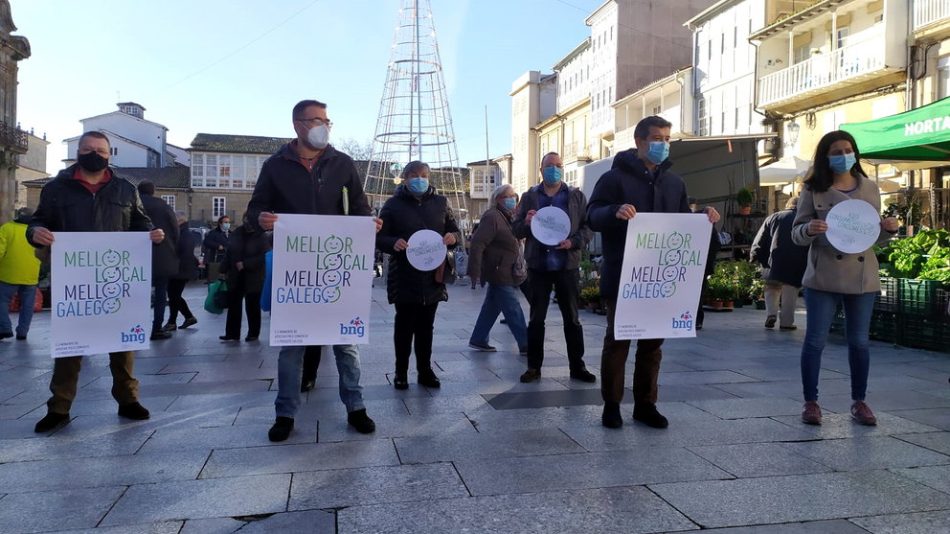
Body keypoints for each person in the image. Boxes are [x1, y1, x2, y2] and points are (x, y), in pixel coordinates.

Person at [249, 99, 380, 441]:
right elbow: (255, 209)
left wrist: (369, 225)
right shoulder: (276, 165)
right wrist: (261, 220)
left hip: (336, 269)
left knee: (346, 344)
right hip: (296, 271)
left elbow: (360, 208)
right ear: (297, 125)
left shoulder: (343, 163)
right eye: (316, 119)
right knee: (291, 347)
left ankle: (356, 406)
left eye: (327, 119)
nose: (323, 125)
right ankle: (285, 413)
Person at [587, 116, 720, 429]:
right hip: (624, 276)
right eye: (656, 138)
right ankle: (612, 405)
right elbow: (592, 215)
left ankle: (646, 404)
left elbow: (682, 224)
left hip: (661, 279)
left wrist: (704, 217)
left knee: (652, 345)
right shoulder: (614, 179)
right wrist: (614, 212)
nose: (663, 144)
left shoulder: (675, 183)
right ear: (639, 141)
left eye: (667, 138)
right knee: (618, 342)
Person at [27, 131, 164, 433]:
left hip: (114, 279)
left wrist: (152, 234)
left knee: (122, 345)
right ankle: (59, 407)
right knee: (69, 347)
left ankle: (128, 400)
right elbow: (38, 221)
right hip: (74, 282)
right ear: (78, 151)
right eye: (88, 149)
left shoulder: (125, 189)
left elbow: (141, 223)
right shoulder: (56, 188)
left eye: (100, 150)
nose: (94, 154)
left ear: (109, 154)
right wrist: (34, 232)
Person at [791, 130, 898, 426]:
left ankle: (859, 400)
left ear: (856, 154)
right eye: (836, 152)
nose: (843, 156)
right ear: (826, 157)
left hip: (862, 276)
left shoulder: (871, 188)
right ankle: (810, 402)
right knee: (815, 341)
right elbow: (796, 234)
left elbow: (873, 238)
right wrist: (809, 229)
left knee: (860, 342)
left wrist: (888, 230)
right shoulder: (813, 189)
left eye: (848, 150)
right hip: (823, 273)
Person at [376, 160, 461, 390]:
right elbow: (379, 237)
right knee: (403, 326)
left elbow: (455, 231)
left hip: (433, 275)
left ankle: (425, 371)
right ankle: (400, 372)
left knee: (426, 327)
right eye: (414, 175)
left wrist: (453, 238)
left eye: (424, 175)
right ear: (404, 178)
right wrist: (393, 242)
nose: (419, 179)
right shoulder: (393, 205)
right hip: (404, 275)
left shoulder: (442, 202)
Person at [512, 152, 595, 384]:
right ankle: (533, 367)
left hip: (566, 265)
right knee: (537, 319)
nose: (555, 169)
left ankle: (577, 366)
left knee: (572, 319)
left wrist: (574, 242)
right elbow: (516, 229)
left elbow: (588, 227)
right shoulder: (530, 197)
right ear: (541, 169)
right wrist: (526, 224)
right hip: (539, 266)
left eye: (559, 165)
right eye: (550, 166)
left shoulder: (576, 196)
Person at [467, 184, 528, 354]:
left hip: (505, 269)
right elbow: (478, 243)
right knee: (513, 307)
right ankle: (526, 343)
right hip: (499, 271)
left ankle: (478, 339)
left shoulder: (509, 216)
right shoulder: (493, 217)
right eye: (508, 196)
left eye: (514, 196)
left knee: (491, 307)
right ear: (498, 199)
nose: (512, 199)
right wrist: (475, 271)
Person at [750, 196, 808, 331]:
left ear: (787, 205)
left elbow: (760, 238)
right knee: (790, 290)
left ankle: (771, 314)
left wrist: (754, 254)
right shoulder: (803, 220)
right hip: (796, 261)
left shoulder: (773, 217)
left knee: (771, 288)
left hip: (773, 260)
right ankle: (786, 323)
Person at [137, 180, 179, 340]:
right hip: (162, 255)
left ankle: (135, 328)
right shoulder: (163, 205)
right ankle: (157, 328)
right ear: (153, 191)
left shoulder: (134, 203)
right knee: (161, 294)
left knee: (136, 294)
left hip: (137, 256)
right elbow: (175, 230)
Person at [219, 212, 268, 342]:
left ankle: (253, 333)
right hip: (236, 275)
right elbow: (230, 251)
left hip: (254, 276)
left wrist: (246, 264)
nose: (247, 221)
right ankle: (232, 333)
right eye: (246, 218)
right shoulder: (237, 233)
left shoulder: (261, 236)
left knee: (252, 306)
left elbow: (264, 257)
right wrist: (222, 268)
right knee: (234, 305)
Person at [0, 207, 41, 341]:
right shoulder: (37, 232)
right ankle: (22, 332)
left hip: (8, 274)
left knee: (2, 301)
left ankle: (5, 328)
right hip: (31, 274)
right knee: (27, 305)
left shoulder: (7, 228)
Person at [164, 211, 199, 331]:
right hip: (179, 269)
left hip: (180, 270)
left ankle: (180, 319)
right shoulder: (182, 233)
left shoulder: (184, 234)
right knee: (174, 296)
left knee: (174, 296)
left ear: (180, 221)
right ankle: (178, 320)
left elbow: (183, 252)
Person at [203, 215, 230, 282]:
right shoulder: (213, 233)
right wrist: (217, 246)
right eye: (225, 222)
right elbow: (206, 242)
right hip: (216, 259)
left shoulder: (231, 233)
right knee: (215, 279)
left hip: (228, 260)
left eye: (228, 222)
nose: (227, 224)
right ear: (220, 223)